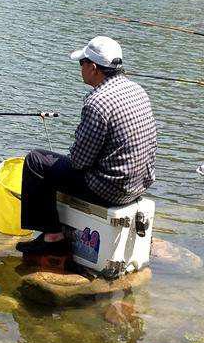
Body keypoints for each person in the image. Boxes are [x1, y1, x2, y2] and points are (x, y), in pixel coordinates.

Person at [17, 36, 157, 258]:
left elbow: (79, 162)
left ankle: (52, 237)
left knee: (35, 161)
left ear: (93, 68)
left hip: (110, 191)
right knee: (54, 163)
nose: (80, 68)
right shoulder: (138, 90)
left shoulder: (97, 102)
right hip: (139, 185)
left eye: (82, 63)